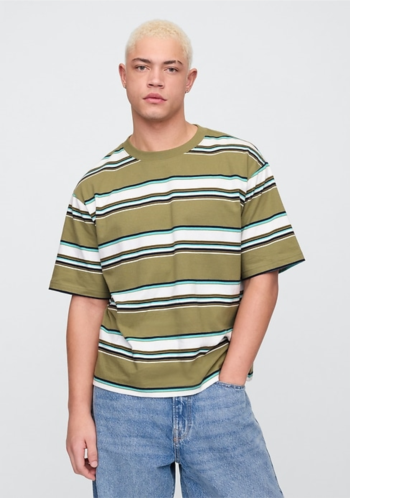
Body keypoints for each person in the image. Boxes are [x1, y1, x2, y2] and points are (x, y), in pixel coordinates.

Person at [49, 19, 305, 498]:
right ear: (123, 76)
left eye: (170, 68)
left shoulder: (240, 165)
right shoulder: (95, 188)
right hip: (122, 407)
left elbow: (264, 278)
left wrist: (230, 381)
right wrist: (78, 411)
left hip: (215, 396)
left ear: (189, 79)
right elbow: (86, 303)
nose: (155, 79)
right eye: (142, 67)